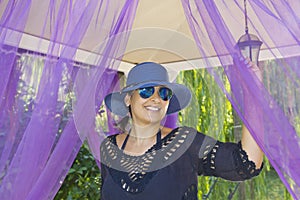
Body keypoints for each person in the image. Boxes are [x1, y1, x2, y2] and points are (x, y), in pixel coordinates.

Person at [100, 61, 263, 200]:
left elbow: (247, 162)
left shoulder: (185, 142)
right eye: (146, 91)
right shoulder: (109, 148)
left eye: (164, 93)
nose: (156, 98)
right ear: (128, 98)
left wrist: (253, 91)